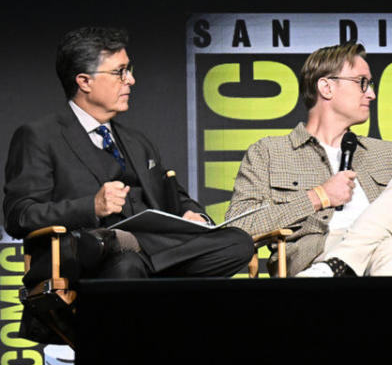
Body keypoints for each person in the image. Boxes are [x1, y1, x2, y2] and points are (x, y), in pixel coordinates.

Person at [3, 27, 254, 286]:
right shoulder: (39, 136)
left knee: (238, 242)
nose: (130, 80)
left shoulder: (137, 141)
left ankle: (126, 244)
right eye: (119, 72)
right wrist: (92, 206)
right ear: (84, 81)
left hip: (142, 256)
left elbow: (174, 196)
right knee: (125, 265)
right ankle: (122, 245)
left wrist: (193, 215)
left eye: (129, 70)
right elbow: (20, 215)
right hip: (84, 262)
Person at [226, 41, 392, 277]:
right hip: (315, 256)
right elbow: (237, 229)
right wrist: (318, 197)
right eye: (362, 83)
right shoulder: (269, 152)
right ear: (326, 87)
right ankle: (338, 264)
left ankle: (337, 266)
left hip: (350, 262)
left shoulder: (388, 154)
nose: (371, 93)